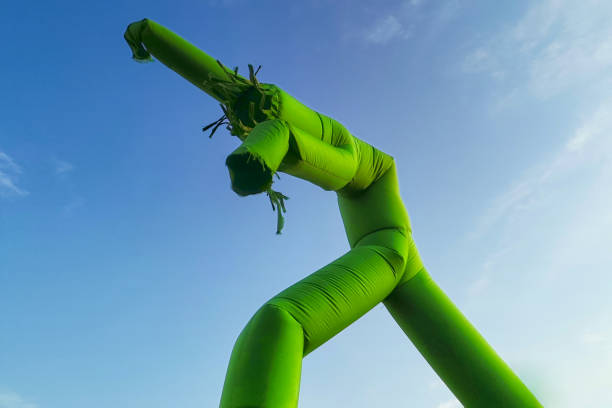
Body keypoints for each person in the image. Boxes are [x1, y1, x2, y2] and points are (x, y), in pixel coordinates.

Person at [124, 18, 542, 407]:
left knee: (279, 320)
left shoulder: (352, 150)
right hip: (387, 245)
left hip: (387, 240)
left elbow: (293, 136)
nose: (247, 117)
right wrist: (148, 35)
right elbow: (225, 85)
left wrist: (266, 150)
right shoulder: (274, 111)